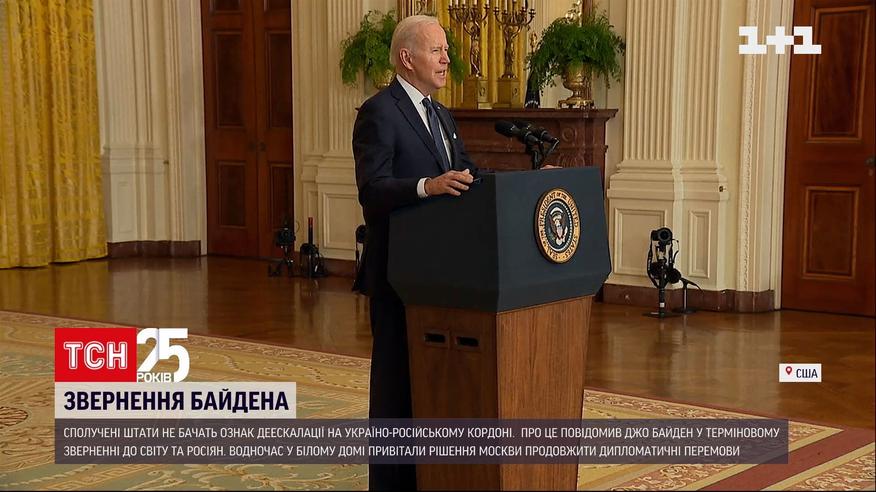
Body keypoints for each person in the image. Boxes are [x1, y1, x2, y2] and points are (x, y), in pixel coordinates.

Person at [351, 14, 479, 491]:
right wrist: (427, 186)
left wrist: (531, 181)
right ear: (407, 58)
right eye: (436, 50)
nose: (447, 59)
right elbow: (372, 189)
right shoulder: (379, 112)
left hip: (441, 274)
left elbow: (467, 176)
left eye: (446, 50)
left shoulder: (441, 114)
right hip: (397, 273)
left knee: (431, 383)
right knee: (395, 387)